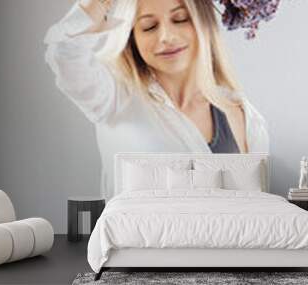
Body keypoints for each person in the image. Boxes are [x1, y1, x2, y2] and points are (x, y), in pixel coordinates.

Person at [43, 0, 269, 200]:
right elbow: (66, 53)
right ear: (133, 38)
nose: (166, 37)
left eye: (180, 19)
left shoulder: (241, 115)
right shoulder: (113, 100)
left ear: (204, 22)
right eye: (149, 26)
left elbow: (257, 211)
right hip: (139, 247)